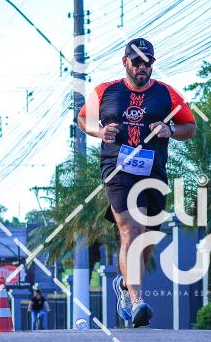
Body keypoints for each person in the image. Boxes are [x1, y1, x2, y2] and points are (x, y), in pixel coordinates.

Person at [77, 38, 196, 327]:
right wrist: (99, 132)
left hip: (153, 172)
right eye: (137, 61)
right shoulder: (105, 91)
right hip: (117, 170)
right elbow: (83, 119)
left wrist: (170, 129)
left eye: (148, 62)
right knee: (131, 230)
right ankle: (137, 300)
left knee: (147, 240)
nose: (143, 67)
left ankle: (124, 285)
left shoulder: (167, 94)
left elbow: (190, 127)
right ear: (125, 62)